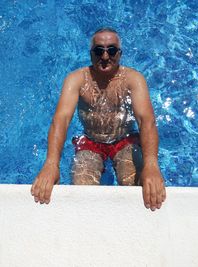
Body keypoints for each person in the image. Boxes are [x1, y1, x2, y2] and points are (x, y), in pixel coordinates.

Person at [31, 28, 166, 211]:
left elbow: (146, 121)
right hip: (91, 143)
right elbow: (61, 120)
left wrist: (151, 166)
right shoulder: (76, 80)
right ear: (91, 53)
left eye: (111, 50)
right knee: (82, 194)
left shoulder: (134, 79)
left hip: (124, 141)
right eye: (98, 50)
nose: (105, 56)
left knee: (137, 190)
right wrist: (51, 164)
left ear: (119, 53)